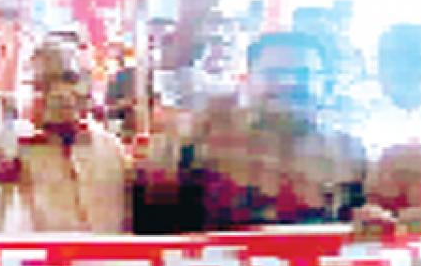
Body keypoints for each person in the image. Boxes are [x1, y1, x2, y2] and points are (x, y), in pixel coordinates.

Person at [154, 31, 367, 231]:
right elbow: (156, 221)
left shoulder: (348, 151)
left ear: (324, 84)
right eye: (274, 74)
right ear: (247, 80)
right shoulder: (202, 139)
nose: (289, 83)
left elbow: (355, 223)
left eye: (303, 74)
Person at [0, 34, 128, 234]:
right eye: (43, 85)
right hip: (27, 263)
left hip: (100, 262)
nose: (61, 93)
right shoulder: (7, 143)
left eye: (70, 80)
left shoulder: (108, 147)